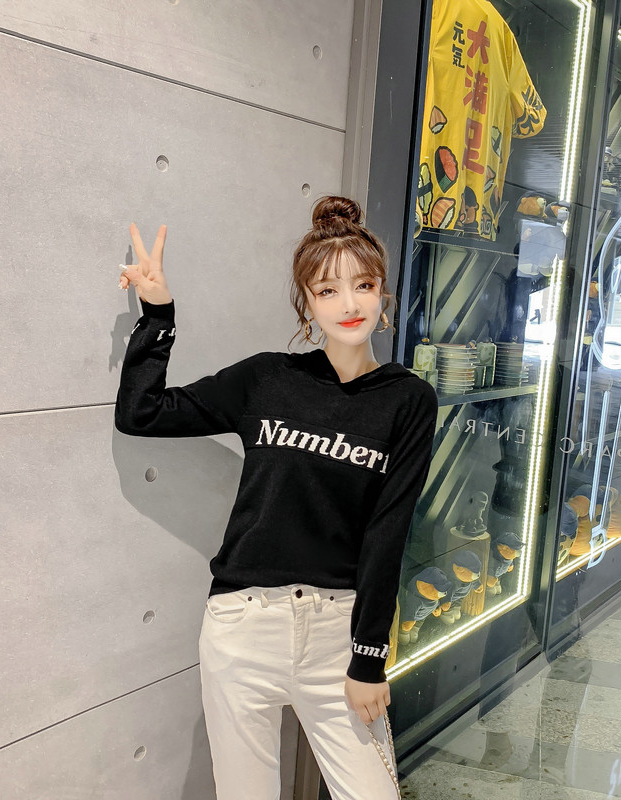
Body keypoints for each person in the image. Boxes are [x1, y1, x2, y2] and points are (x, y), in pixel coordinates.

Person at [114, 196, 439, 800]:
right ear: (306, 303)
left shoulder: (408, 399)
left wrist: (368, 658)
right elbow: (143, 413)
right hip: (243, 626)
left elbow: (388, 531)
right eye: (327, 290)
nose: (349, 305)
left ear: (383, 293)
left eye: (363, 285)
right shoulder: (267, 378)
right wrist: (158, 315)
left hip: (338, 634)